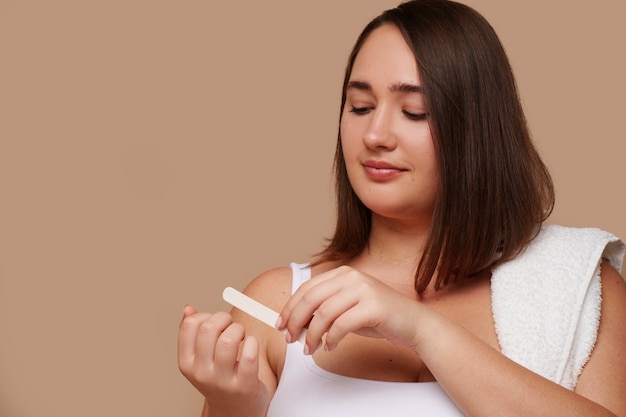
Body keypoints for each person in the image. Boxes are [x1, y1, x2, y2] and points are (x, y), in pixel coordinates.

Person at [177, 1, 626, 416]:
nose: (375, 134)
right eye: (360, 106)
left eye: (414, 112)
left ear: (478, 131)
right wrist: (232, 403)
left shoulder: (578, 285)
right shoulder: (276, 304)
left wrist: (420, 328)